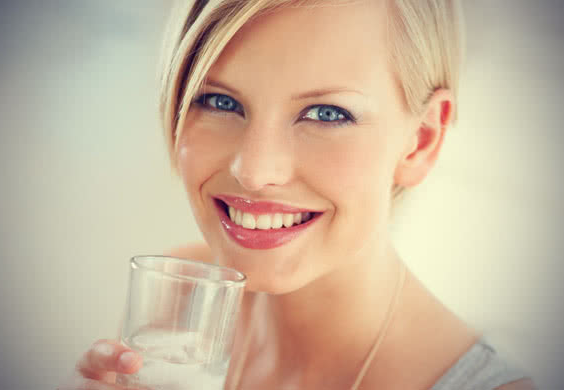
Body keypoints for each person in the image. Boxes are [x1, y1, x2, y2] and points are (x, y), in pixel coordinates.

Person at [59, 0, 536, 389]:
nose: (254, 172)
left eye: (327, 114)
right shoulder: (179, 309)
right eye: (221, 101)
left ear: (422, 140)